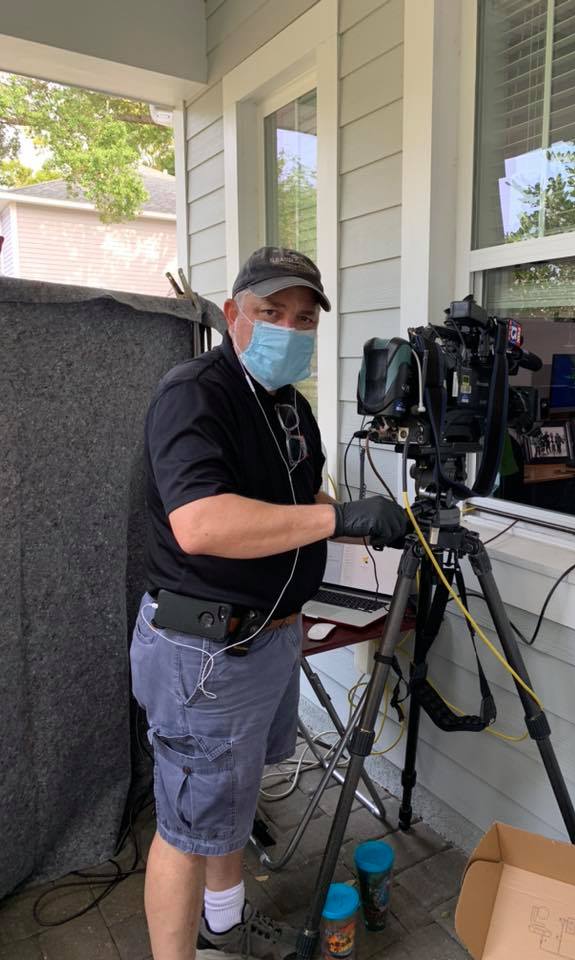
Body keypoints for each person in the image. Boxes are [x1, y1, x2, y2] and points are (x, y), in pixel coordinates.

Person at [130, 246, 409, 960]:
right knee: (185, 828)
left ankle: (223, 927)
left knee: (231, 802)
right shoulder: (194, 393)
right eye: (271, 312)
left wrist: (358, 516)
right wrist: (337, 521)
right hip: (207, 651)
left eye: (304, 318)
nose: (290, 327)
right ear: (233, 315)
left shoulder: (291, 407)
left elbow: (302, 499)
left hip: (272, 638)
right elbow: (203, 524)